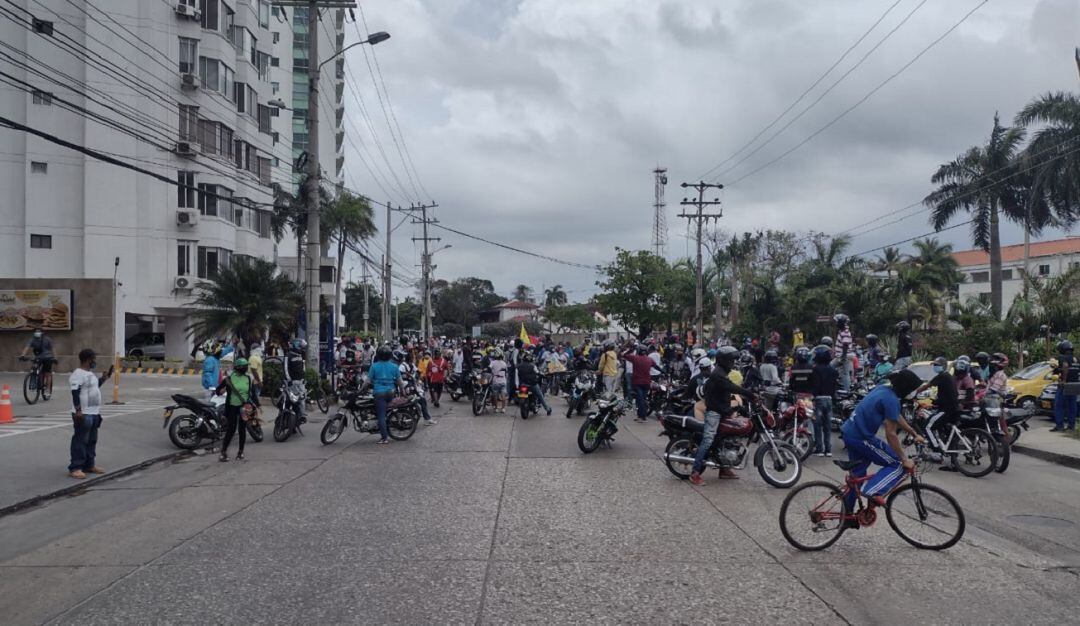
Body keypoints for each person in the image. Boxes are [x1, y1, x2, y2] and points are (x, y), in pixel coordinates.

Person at [840, 369, 926, 520]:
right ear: (905, 388)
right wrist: (904, 459)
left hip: (849, 433)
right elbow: (891, 434)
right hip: (861, 438)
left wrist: (913, 432)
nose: (914, 392)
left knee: (857, 477)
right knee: (897, 463)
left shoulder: (883, 389)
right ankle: (873, 492)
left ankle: (846, 516)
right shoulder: (891, 400)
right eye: (913, 389)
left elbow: (895, 415)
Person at [690, 346, 756, 485]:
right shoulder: (718, 375)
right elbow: (731, 387)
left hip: (723, 411)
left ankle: (724, 469)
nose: (733, 363)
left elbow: (729, 388)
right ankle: (695, 472)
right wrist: (749, 394)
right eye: (731, 360)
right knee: (708, 440)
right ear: (724, 360)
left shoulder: (721, 372)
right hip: (714, 413)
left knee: (726, 438)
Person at [68, 349, 113, 479]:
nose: (95, 362)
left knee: (92, 440)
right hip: (83, 413)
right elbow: (75, 393)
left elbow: (94, 387)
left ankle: (89, 464)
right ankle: (75, 467)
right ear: (88, 360)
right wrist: (78, 410)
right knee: (80, 440)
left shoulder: (89, 374)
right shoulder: (78, 374)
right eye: (93, 359)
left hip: (94, 412)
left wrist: (103, 379)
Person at [919, 357, 961, 469]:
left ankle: (937, 451)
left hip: (947, 410)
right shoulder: (949, 377)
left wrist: (914, 392)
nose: (935, 367)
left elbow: (927, 385)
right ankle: (953, 461)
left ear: (943, 366)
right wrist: (935, 402)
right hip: (954, 408)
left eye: (937, 365)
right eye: (934, 365)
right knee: (947, 431)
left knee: (927, 426)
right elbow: (946, 394)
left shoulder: (943, 376)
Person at [214, 358, 257, 462]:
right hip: (232, 407)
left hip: (244, 407)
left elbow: (252, 393)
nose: (246, 368)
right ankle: (223, 452)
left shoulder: (248, 378)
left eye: (246, 366)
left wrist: (257, 405)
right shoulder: (229, 379)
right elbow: (217, 391)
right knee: (231, 429)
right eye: (244, 366)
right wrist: (222, 390)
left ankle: (240, 452)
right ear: (239, 368)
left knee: (242, 429)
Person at [810, 347, 839, 457]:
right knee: (827, 426)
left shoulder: (815, 370)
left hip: (818, 399)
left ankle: (819, 449)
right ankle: (828, 449)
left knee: (817, 425)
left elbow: (814, 385)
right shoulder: (832, 370)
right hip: (829, 399)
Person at [368, 346, 401, 443]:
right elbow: (400, 382)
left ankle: (384, 438)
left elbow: (368, 381)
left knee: (381, 416)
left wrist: (361, 389)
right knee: (385, 412)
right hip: (391, 392)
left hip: (379, 393)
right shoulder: (394, 366)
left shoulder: (374, 366)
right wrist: (403, 391)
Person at [622, 344, 655, 422]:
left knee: (640, 400)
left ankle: (642, 417)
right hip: (647, 382)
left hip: (638, 383)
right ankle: (640, 416)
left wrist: (630, 350)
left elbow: (624, 355)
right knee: (642, 399)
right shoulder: (649, 359)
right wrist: (663, 372)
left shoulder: (635, 358)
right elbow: (655, 366)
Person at [21, 326, 57, 396]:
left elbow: (53, 348)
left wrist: (55, 358)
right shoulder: (32, 339)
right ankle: (34, 384)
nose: (37, 333)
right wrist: (22, 355)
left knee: (47, 373)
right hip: (38, 358)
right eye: (36, 331)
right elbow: (27, 347)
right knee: (34, 369)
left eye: (39, 331)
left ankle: (48, 389)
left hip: (47, 358)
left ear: (42, 332)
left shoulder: (47, 339)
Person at [1052, 341, 1078, 432]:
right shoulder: (1075, 358)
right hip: (1075, 384)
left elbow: (1065, 366)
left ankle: (1060, 426)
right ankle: (1071, 426)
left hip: (1065, 385)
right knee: (1072, 406)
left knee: (1059, 405)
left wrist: (1063, 380)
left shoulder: (1062, 357)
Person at [834, 314, 854, 392]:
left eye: (837, 322)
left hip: (844, 355)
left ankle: (847, 391)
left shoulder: (845, 332)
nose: (836, 323)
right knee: (843, 372)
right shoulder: (842, 331)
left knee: (845, 373)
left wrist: (843, 357)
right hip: (842, 355)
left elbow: (845, 344)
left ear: (841, 322)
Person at [489, 349, 509, 413]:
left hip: (495, 381)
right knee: (503, 395)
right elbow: (506, 372)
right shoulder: (504, 363)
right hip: (503, 381)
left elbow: (489, 368)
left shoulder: (493, 362)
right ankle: (503, 408)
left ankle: (496, 408)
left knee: (495, 395)